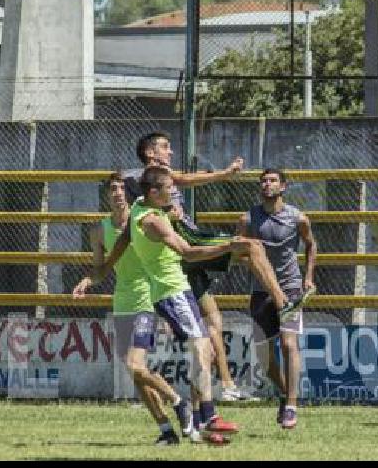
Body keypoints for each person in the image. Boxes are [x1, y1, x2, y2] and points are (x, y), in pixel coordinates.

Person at [124, 131, 303, 401]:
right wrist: (224, 174)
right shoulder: (151, 182)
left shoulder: (159, 181)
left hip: (180, 255)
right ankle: (282, 302)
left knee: (212, 322)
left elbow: (185, 180)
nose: (170, 151)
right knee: (252, 247)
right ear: (150, 153)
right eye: (165, 147)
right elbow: (149, 205)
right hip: (187, 243)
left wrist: (224, 174)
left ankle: (216, 394)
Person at [72, 172, 190, 446]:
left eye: (121, 188)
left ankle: (179, 402)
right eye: (112, 188)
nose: (116, 193)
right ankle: (166, 430)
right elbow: (102, 270)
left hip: (147, 301)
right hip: (122, 302)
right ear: (107, 194)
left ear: (129, 194)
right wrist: (88, 281)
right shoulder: (99, 230)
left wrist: (175, 214)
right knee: (136, 373)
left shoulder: (144, 219)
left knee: (135, 366)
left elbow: (173, 222)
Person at [238, 168, 317, 429]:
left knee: (288, 343)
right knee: (263, 354)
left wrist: (308, 276)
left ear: (283, 186)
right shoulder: (248, 218)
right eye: (263, 181)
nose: (266, 184)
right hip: (261, 291)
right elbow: (241, 250)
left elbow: (311, 244)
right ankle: (284, 392)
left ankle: (292, 405)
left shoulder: (297, 218)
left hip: (290, 289)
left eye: (272, 181)